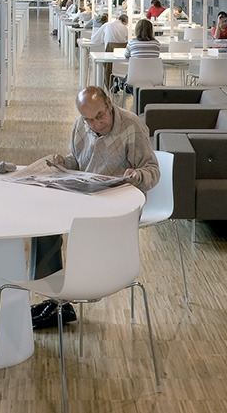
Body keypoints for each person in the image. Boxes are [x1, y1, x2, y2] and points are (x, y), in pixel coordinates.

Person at [30, 87, 159, 331]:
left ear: (109, 103)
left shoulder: (132, 126)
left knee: (80, 231)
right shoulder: (81, 125)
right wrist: (63, 162)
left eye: (99, 116)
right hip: (86, 197)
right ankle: (56, 298)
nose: (96, 125)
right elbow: (77, 161)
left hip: (118, 204)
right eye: (88, 119)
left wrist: (137, 175)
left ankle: (65, 298)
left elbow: (153, 171)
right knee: (44, 224)